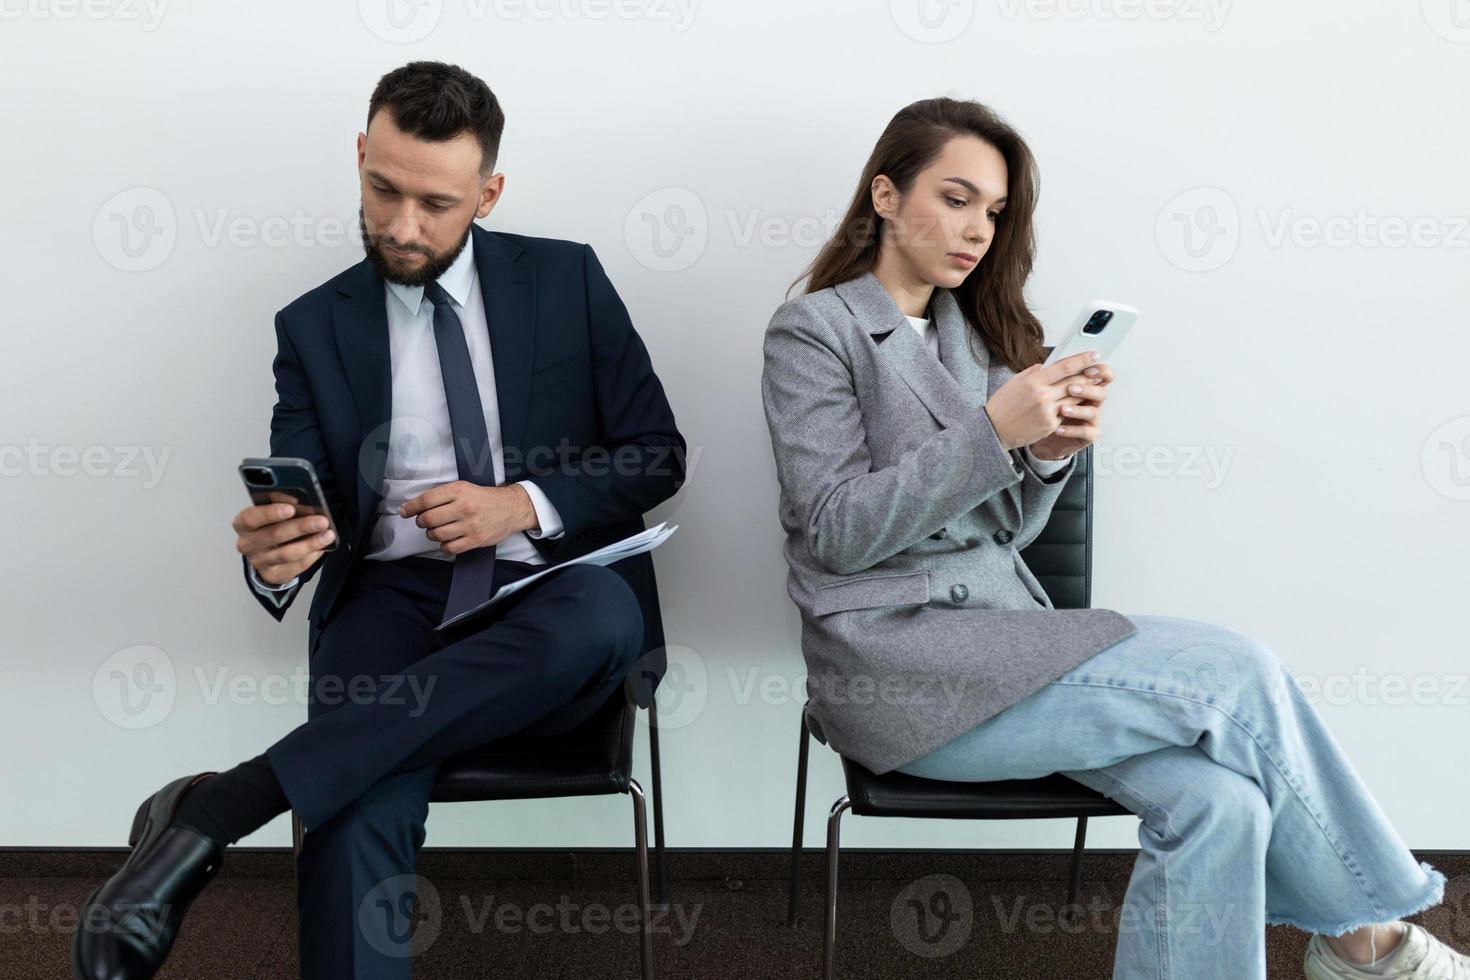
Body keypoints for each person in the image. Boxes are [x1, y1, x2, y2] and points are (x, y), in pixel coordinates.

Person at [759, 96, 1461, 980]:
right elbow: (833, 531)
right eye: (957, 197)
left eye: (995, 211)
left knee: (1222, 802)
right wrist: (992, 436)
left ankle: (1357, 942)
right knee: (1238, 669)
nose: (976, 228)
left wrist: (1045, 456)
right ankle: (1376, 940)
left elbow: (1002, 531)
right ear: (887, 197)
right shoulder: (814, 331)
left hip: (1007, 646)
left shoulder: (974, 334)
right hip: (897, 674)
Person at [73, 61, 685, 980]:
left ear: (489, 192)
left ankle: (219, 807)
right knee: (356, 793)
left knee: (601, 615)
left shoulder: (567, 280)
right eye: (382, 188)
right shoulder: (313, 325)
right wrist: (274, 551)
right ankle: (236, 809)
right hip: (389, 600)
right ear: (361, 154)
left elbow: (656, 453)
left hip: (545, 595)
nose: (402, 227)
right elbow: (301, 492)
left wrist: (519, 505)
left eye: (436, 204)